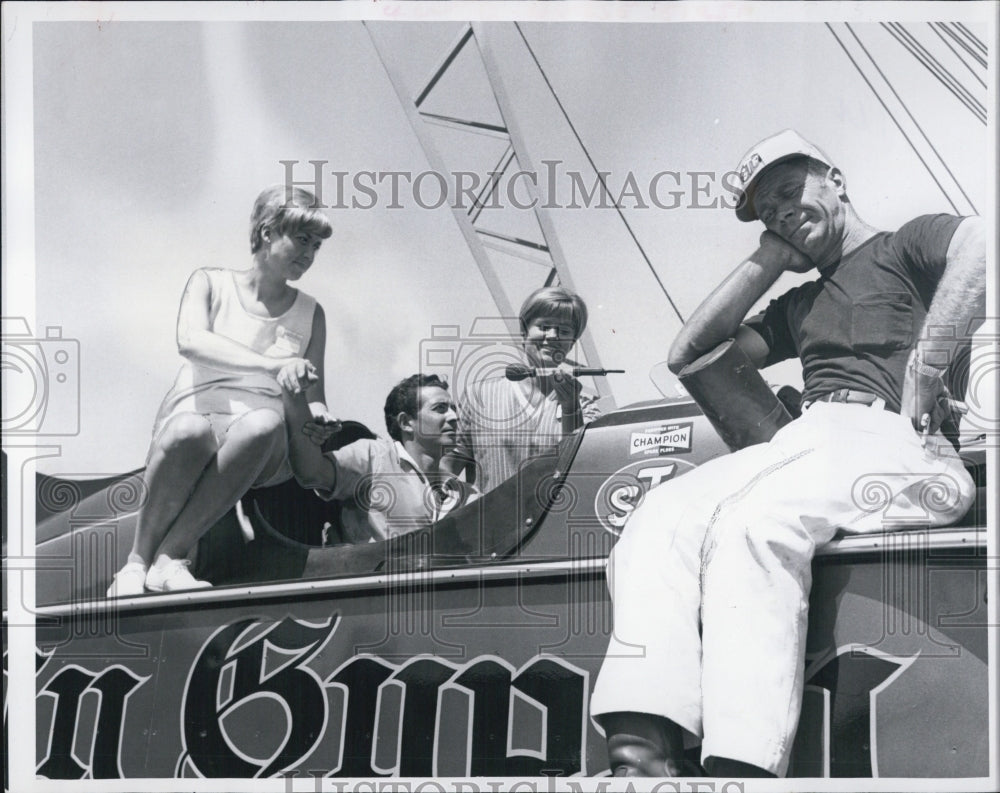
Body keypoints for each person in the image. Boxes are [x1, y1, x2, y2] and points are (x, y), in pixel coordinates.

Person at [590, 129, 985, 777]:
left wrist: (931, 359)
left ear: (835, 177)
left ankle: (741, 769)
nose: (780, 213)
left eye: (788, 193)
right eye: (766, 212)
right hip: (812, 443)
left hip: (901, 443)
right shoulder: (801, 301)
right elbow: (691, 354)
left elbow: (982, 242)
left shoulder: (902, 245)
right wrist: (772, 254)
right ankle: (644, 754)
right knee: (658, 516)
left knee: (755, 522)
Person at [107, 185, 336, 596]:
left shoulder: (312, 313)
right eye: (302, 239)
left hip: (262, 444)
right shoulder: (209, 283)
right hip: (196, 414)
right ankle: (136, 563)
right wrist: (272, 365)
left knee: (264, 424)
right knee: (188, 432)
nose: (309, 254)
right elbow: (191, 340)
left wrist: (317, 416)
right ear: (268, 232)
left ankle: (170, 557)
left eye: (316, 246)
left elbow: (314, 393)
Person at [283, 373, 477, 542]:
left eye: (453, 408)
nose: (454, 417)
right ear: (405, 423)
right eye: (440, 408)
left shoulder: (467, 495)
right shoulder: (373, 457)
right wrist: (295, 397)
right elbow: (312, 473)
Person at [447, 286, 601, 494]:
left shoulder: (585, 406)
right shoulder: (478, 396)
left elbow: (581, 468)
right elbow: (447, 467)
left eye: (564, 331)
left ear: (571, 344)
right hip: (490, 522)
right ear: (524, 331)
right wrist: (466, 500)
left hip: (554, 523)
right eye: (544, 326)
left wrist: (570, 408)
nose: (553, 336)